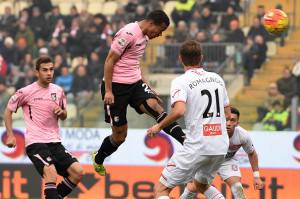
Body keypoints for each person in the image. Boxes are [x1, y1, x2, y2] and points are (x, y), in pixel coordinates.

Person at [92, 10, 186, 176]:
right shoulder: (128, 34)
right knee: (120, 136)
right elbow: (109, 61)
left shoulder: (145, 37)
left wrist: (147, 85)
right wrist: (108, 90)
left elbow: (134, 62)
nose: (160, 34)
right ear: (152, 23)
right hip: (115, 87)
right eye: (160, 29)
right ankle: (98, 158)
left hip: (135, 83)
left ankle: (186, 142)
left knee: (155, 106)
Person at [147, 40, 231, 199]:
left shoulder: (180, 81)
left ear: (180, 58)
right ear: (201, 57)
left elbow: (179, 110)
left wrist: (159, 126)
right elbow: (228, 114)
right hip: (220, 145)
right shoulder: (217, 78)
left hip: (198, 145)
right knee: (199, 185)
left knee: (161, 190)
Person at [3, 57, 83, 199]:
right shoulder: (25, 91)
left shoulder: (58, 91)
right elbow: (8, 110)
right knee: (50, 172)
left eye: (51, 70)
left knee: (77, 172)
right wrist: (10, 134)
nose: (49, 73)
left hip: (55, 142)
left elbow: (64, 115)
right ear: (37, 72)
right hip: (36, 142)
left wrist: (62, 112)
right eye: (45, 70)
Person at [181, 107, 264, 199]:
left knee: (237, 187)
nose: (228, 123)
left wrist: (256, 176)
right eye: (226, 119)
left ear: (237, 123)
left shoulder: (243, 135)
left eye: (233, 120)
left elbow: (252, 153)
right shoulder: (211, 130)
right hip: (208, 161)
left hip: (226, 161)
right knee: (192, 189)